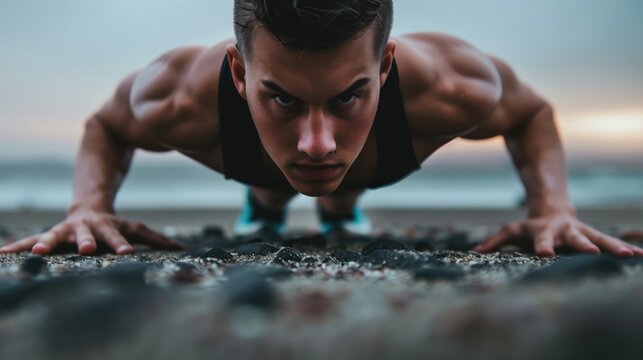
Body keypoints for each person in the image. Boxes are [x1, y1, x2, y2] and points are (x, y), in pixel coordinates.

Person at [1, 0, 641, 258]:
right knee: (286, 184)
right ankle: (273, 199)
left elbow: (531, 114)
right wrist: (89, 207)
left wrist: (551, 207)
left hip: (378, 155)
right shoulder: (174, 94)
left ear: (385, 65)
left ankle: (333, 203)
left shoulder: (454, 82)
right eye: (279, 94)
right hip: (251, 154)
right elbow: (104, 126)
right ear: (238, 71)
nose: (317, 140)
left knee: (336, 183)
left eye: (349, 96)